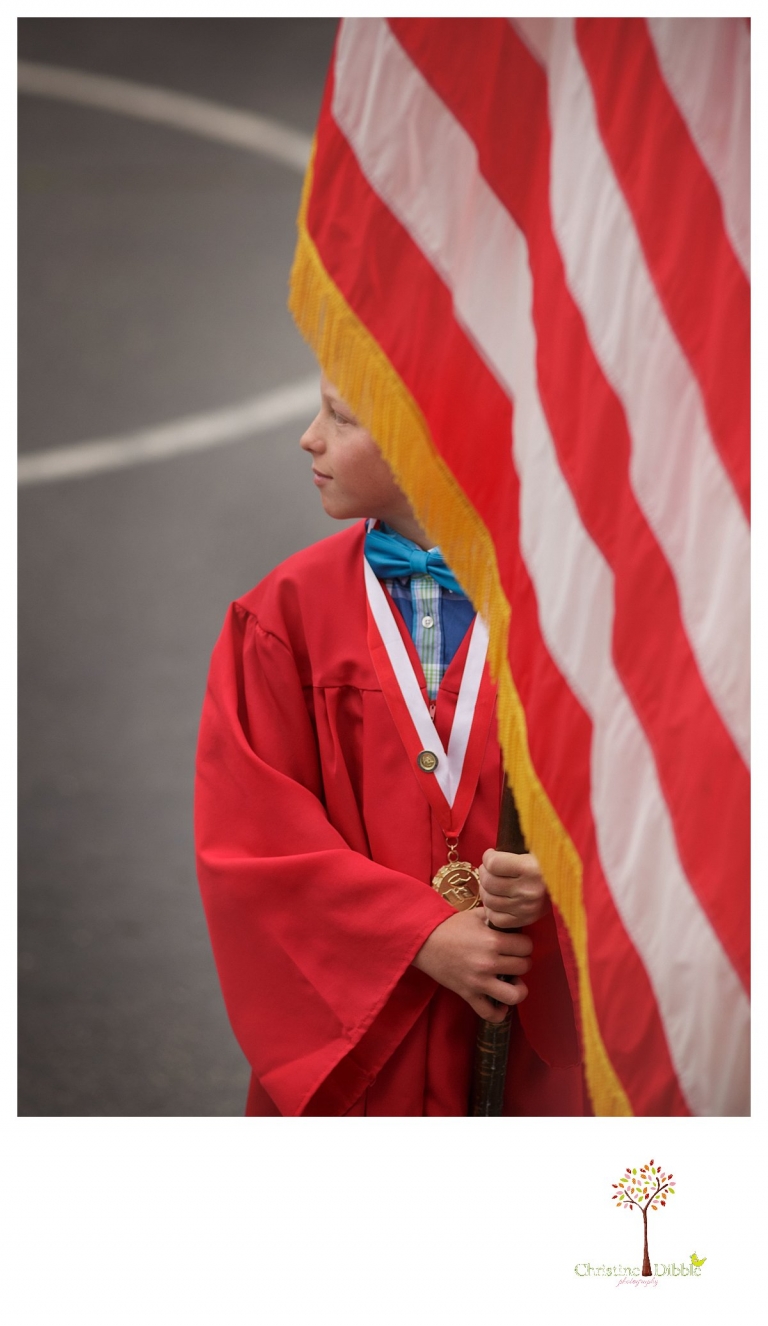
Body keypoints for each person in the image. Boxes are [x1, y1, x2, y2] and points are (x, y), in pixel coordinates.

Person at [194, 373, 587, 1115]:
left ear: (434, 440)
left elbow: (654, 806)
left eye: (341, 419)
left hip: (531, 1021)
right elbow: (254, 839)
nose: (309, 437)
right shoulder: (286, 616)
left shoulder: (571, 610)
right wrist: (417, 938)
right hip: (369, 1040)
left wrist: (565, 881)